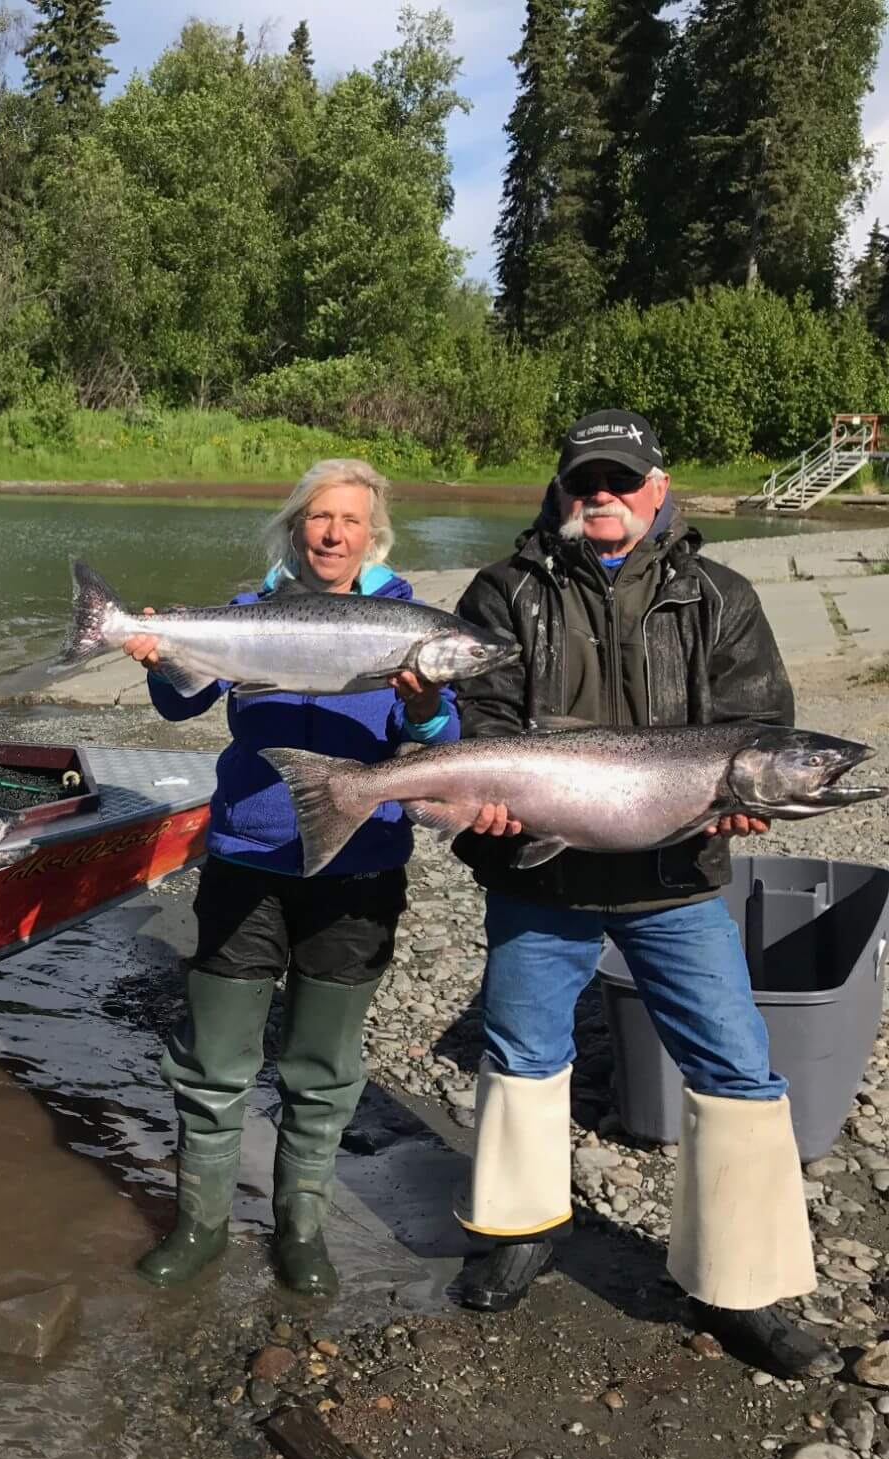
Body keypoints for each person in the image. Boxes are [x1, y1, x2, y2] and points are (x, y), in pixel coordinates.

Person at [449, 410, 834, 1378]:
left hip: (673, 884)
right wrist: (486, 805)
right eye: (585, 482)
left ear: (657, 487)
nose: (601, 497)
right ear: (561, 491)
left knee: (737, 1070)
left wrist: (746, 803)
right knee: (520, 1054)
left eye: (620, 480)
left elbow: (759, 722)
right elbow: (483, 718)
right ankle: (517, 1229)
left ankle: (740, 1284)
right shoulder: (503, 592)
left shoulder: (717, 596)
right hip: (542, 877)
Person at [124, 458, 458, 1295]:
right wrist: (161, 656)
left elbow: (440, 745)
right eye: (319, 518)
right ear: (295, 528)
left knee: (322, 1062)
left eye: (350, 521)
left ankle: (299, 1228)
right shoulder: (246, 614)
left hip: (360, 862)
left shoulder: (407, 622)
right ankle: (197, 1225)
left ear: (371, 535)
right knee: (215, 1058)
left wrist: (421, 704)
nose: (334, 534)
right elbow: (180, 706)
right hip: (247, 859)